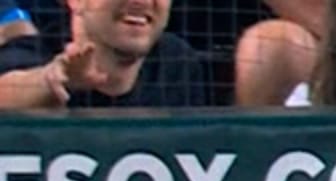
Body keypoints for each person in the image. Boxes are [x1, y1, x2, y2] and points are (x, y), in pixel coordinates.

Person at [0, 0, 211, 108]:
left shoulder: (178, 63)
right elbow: (7, 90)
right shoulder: (29, 53)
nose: (142, 1)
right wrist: (55, 80)